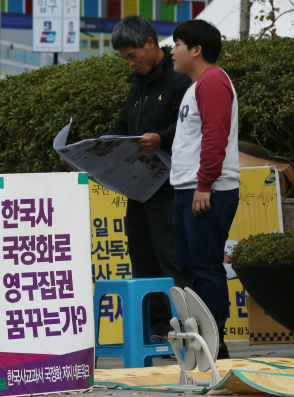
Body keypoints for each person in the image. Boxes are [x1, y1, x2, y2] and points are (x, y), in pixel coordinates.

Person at [104, 16, 190, 340]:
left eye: (132, 55)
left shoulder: (178, 78)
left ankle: (183, 328)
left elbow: (187, 126)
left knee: (171, 259)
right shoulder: (137, 86)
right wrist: (95, 148)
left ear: (150, 44)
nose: (129, 63)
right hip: (137, 188)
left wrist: (160, 138)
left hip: (167, 188)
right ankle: (156, 329)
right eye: (124, 57)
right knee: (142, 258)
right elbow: (124, 128)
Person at [170, 19, 240, 359]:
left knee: (205, 267)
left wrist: (205, 185)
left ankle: (216, 343)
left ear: (196, 50)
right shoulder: (195, 84)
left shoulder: (213, 80)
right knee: (190, 267)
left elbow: (216, 135)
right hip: (189, 189)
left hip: (208, 190)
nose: (173, 51)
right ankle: (201, 341)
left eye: (177, 44)